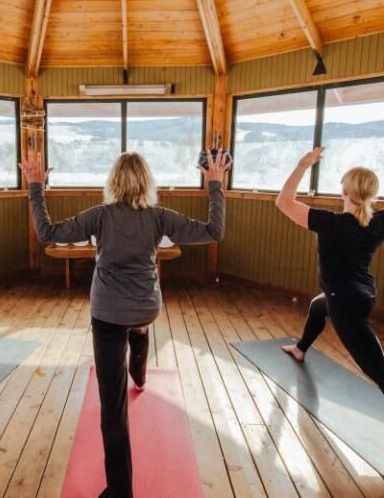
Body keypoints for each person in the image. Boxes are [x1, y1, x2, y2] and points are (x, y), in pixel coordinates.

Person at [20, 150, 230, 497]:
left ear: (113, 182)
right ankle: (141, 365)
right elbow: (214, 231)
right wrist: (215, 184)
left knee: (113, 409)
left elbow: (46, 232)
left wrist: (36, 186)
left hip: (108, 315)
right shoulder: (159, 216)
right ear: (147, 183)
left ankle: (120, 492)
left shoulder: (100, 216)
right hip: (146, 308)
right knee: (139, 326)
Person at [274, 145, 384, 465]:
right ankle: (301, 347)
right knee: (316, 306)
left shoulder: (331, 223)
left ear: (344, 191)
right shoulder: (380, 221)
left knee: (379, 371)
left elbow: (283, 202)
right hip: (359, 294)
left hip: (346, 303)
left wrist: (301, 166)